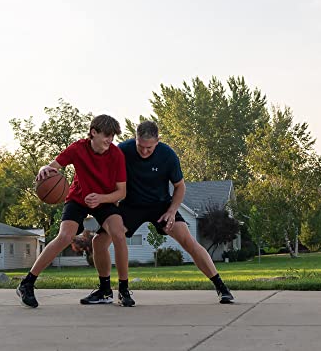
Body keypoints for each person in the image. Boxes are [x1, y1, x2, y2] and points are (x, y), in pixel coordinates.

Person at [86, 120, 234, 304]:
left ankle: (221, 287)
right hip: (130, 205)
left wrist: (172, 211)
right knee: (99, 241)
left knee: (188, 241)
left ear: (158, 140)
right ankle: (106, 291)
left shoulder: (168, 155)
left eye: (150, 147)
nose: (145, 151)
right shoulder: (122, 150)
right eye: (141, 146)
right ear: (135, 138)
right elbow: (99, 167)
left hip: (160, 206)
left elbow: (180, 187)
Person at [16, 115, 134, 308]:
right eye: (106, 135)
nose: (109, 140)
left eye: (112, 136)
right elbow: (52, 168)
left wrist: (101, 198)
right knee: (64, 236)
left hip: (104, 200)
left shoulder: (116, 155)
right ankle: (27, 283)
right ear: (93, 132)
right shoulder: (78, 148)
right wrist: (43, 167)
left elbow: (121, 192)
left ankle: (121, 290)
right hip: (78, 199)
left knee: (119, 233)